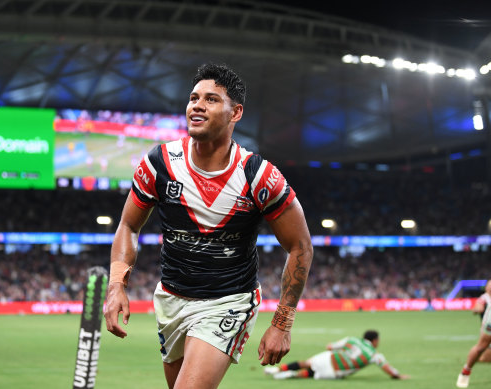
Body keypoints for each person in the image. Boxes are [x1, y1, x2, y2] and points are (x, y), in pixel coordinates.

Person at [104, 63, 314, 389]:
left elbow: (300, 246)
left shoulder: (259, 177)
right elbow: (128, 225)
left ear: (236, 113)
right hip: (171, 299)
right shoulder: (159, 164)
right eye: (193, 98)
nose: (197, 105)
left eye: (212, 99)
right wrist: (117, 284)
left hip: (227, 301)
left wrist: (283, 322)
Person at [263, 330, 409, 380]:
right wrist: (398, 376)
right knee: (311, 373)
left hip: (329, 357)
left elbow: (330, 346)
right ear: (375, 340)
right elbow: (387, 369)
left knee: (306, 363)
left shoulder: (351, 340)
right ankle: (290, 376)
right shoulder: (375, 355)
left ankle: (276, 370)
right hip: (336, 371)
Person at [457, 279, 491, 387]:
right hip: (489, 325)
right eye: (489, 285)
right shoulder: (484, 298)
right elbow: (478, 307)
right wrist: (477, 309)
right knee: (481, 348)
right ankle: (465, 372)